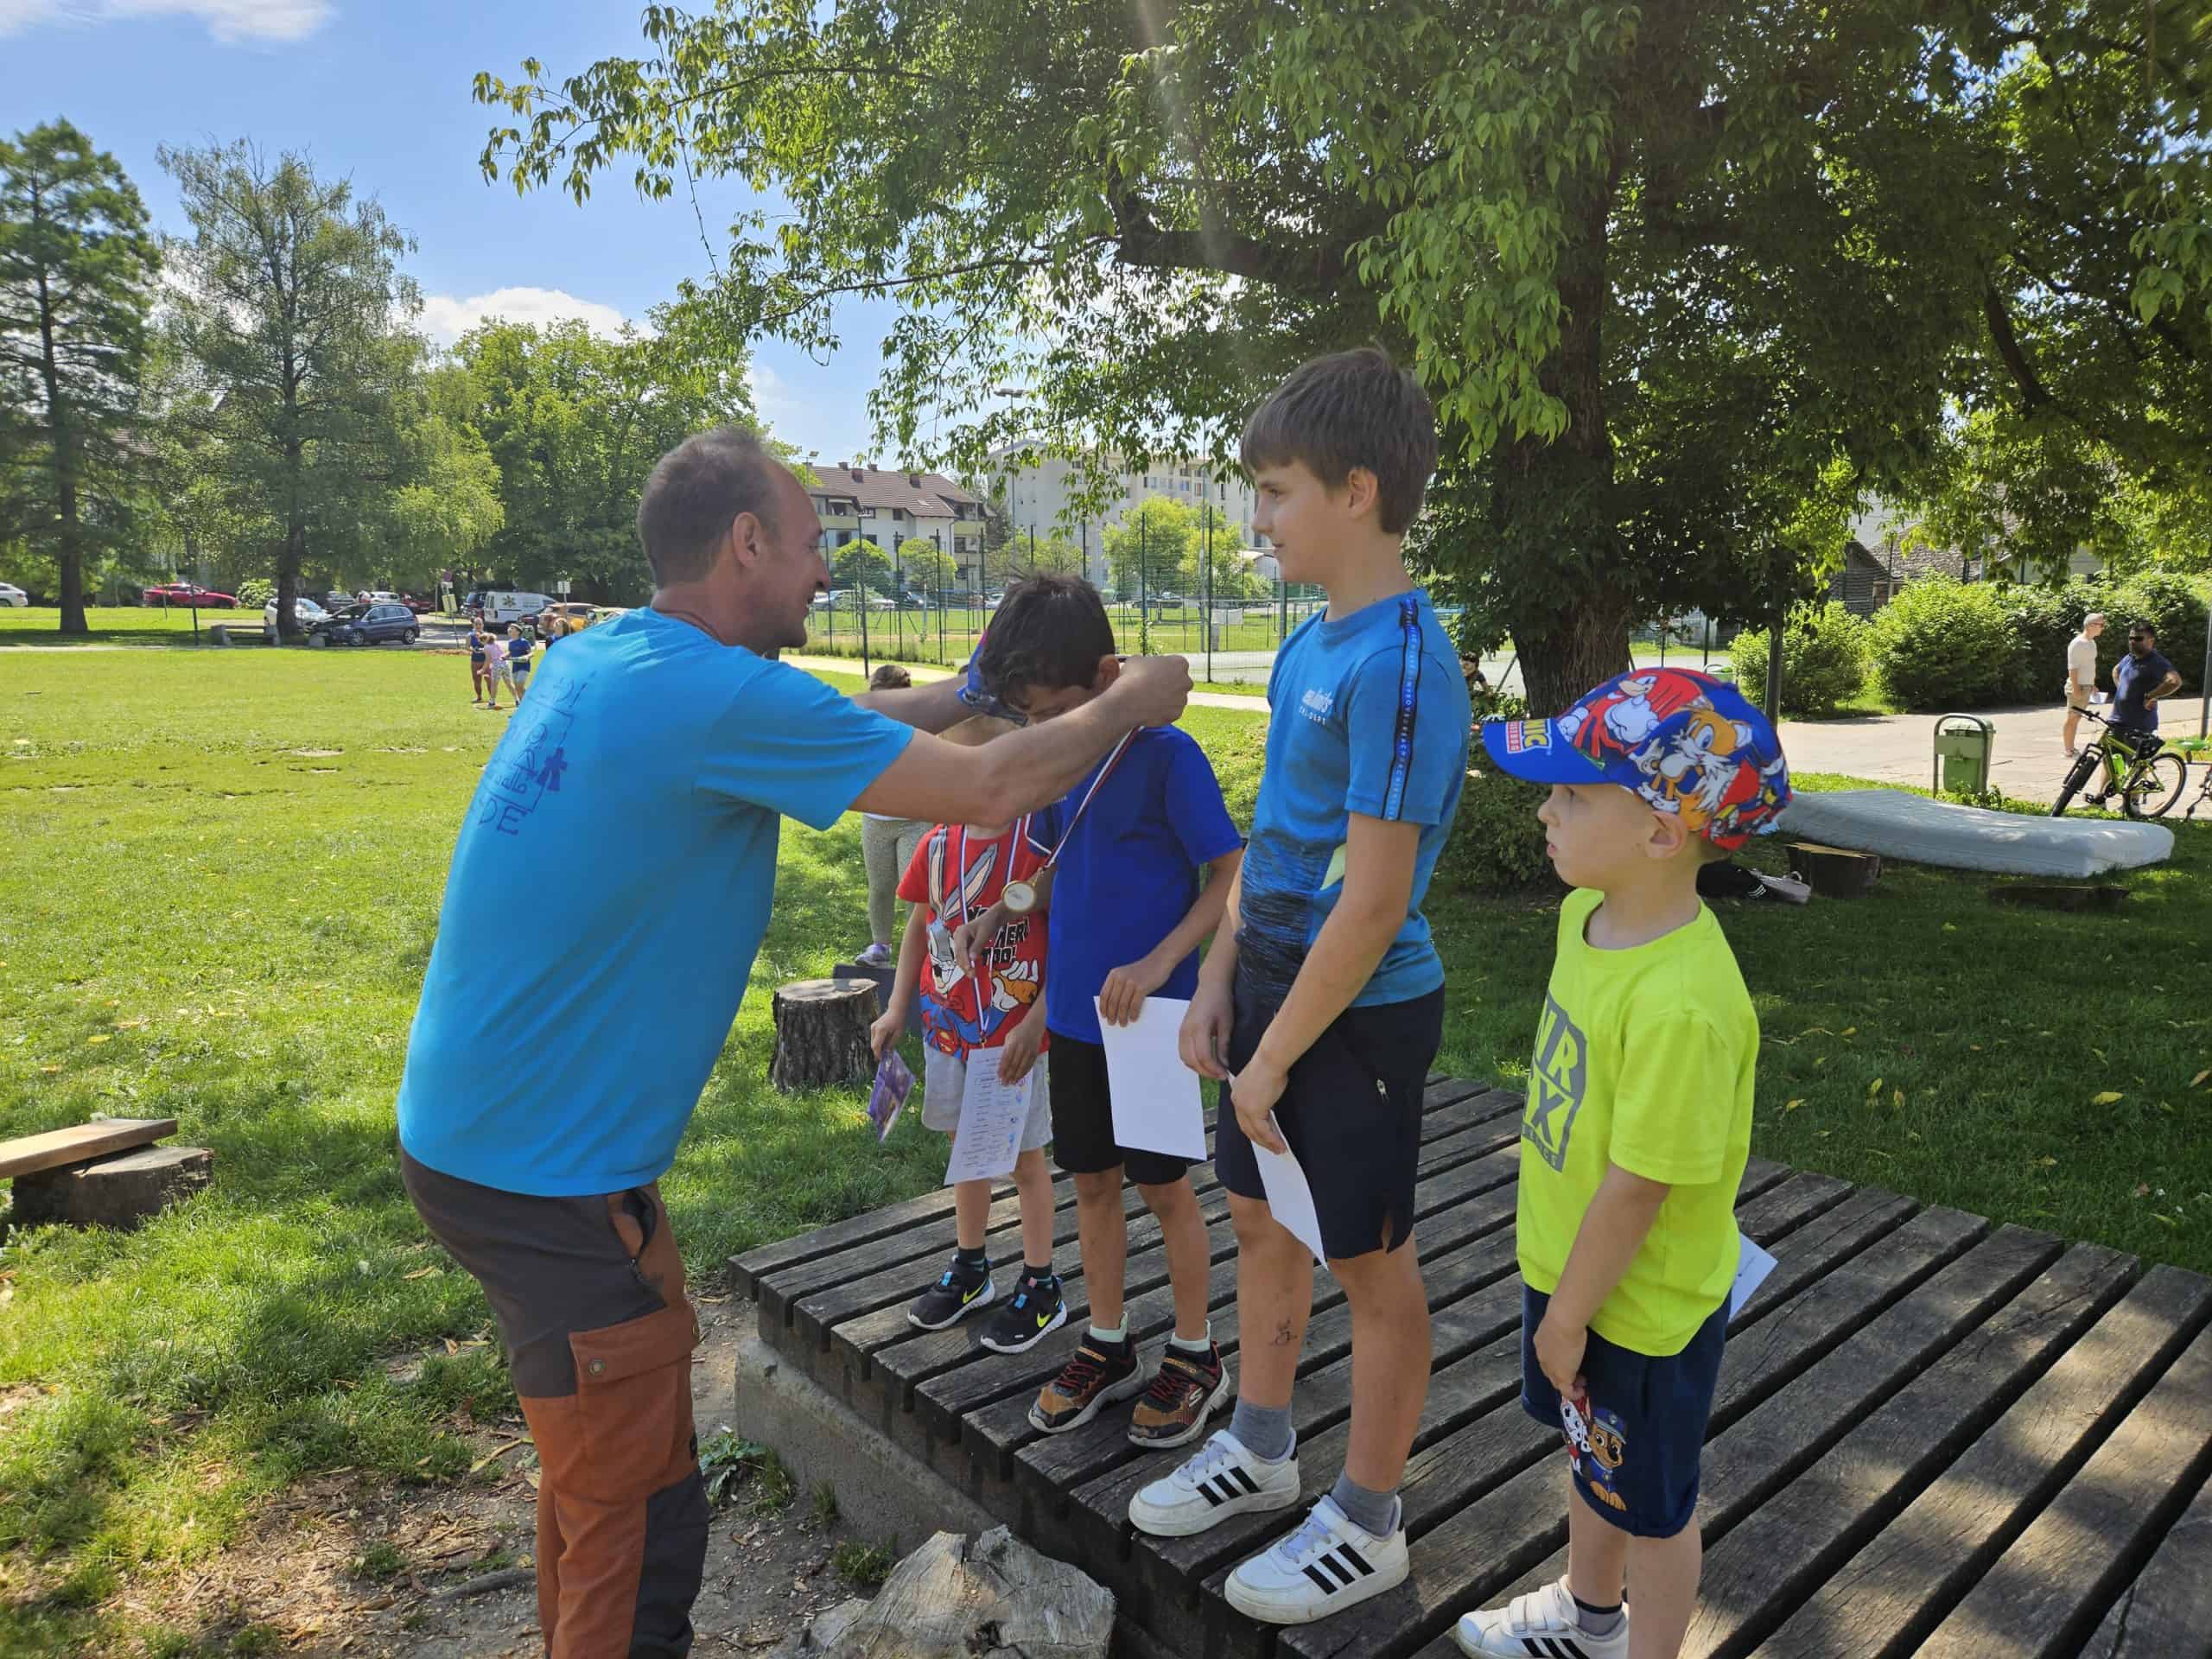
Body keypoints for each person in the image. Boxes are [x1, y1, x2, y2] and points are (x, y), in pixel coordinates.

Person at [394, 426, 1189, 1659]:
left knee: (613, 1471)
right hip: (540, 1173)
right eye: (816, 544)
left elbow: (859, 720)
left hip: (500, 1147)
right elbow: (989, 791)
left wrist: (976, 693)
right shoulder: (705, 693)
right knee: (635, 1521)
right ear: (748, 544)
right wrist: (1135, 695)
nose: (828, 571)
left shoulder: (615, 655)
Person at [1130, 349, 1471, 1624]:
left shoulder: (1403, 664)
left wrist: (1278, 1057)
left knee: (1369, 1266)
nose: (1255, 518)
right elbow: (1272, 844)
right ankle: (1263, 1447)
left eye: (1274, 492)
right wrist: (1221, 979)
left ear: (1358, 491)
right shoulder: (1308, 646)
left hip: (1359, 1009)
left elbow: (1375, 900)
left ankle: (1370, 1519)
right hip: (1267, 988)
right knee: (1259, 1222)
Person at [1450, 667, 1789, 1659]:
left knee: (1654, 1505)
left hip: (1634, 1309)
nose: (1544, 813)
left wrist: (1567, 1319)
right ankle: (1588, 1615)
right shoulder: (1582, 919)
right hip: (1571, 1277)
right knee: (1592, 1455)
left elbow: (1641, 1186)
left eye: (1570, 795)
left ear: (1658, 832)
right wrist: (1559, 1301)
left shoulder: (1682, 1003)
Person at [962, 575, 1245, 1446]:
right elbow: (1065, 869)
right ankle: (1107, 1340)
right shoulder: (1060, 762)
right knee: (1091, 1185)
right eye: (1031, 720)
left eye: (1053, 711)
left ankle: (1196, 1354)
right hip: (1079, 1023)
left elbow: (1230, 875)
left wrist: (1164, 961)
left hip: (1153, 1019)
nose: (1043, 733)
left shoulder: (1167, 756)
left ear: (1109, 675)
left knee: (1162, 1189)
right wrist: (1010, 903)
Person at [869, 715, 1063, 1353]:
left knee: (1025, 1160)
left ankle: (1041, 1283)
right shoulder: (937, 845)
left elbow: (1068, 939)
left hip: (1011, 1039)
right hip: (947, 1031)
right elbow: (920, 933)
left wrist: (1038, 1022)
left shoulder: (1041, 851)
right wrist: (898, 1008)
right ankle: (972, 1264)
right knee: (967, 1151)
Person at [858, 663, 929, 968]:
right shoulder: (863, 728)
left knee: (913, 893)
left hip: (915, 820)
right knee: (880, 887)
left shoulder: (921, 729)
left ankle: (918, 955)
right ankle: (880, 947)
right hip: (876, 823)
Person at [2107, 619, 2183, 736]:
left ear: (2151, 641)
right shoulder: (2130, 658)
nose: (2132, 642)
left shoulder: (2156, 661)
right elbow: (2116, 670)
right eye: (2130, 638)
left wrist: (2150, 696)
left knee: (2130, 755)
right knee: (2109, 753)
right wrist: (2120, 688)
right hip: (2117, 721)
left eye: (2138, 639)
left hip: (2138, 726)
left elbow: (2174, 681)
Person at [2062, 612, 2106, 756]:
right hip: (2077, 686)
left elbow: (2089, 666)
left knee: (2077, 717)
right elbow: (2072, 668)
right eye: (2101, 625)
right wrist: (2076, 689)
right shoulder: (2077, 643)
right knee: (2072, 717)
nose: (2103, 628)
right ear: (2091, 626)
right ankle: (2068, 749)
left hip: (2086, 686)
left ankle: (2071, 747)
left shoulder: (2092, 643)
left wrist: (2092, 684)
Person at [481, 630, 511, 712]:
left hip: (497, 665)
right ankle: (517, 699)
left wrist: (482, 670)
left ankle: (492, 701)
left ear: (486, 640)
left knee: (494, 684)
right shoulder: (498, 644)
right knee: (509, 683)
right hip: (505, 664)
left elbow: (488, 660)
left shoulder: (487, 647)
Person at [506, 624, 535, 700]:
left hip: (524, 667)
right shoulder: (510, 642)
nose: (509, 629)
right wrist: (505, 656)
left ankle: (529, 701)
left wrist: (527, 656)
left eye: (512, 628)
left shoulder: (524, 642)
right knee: (517, 688)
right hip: (515, 667)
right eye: (509, 628)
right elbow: (510, 652)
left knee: (520, 685)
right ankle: (522, 705)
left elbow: (531, 653)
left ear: (518, 632)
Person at [467, 619, 490, 704]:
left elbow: (491, 645)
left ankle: (492, 698)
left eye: (480, 624)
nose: (478, 626)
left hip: (486, 660)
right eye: (476, 624)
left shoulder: (486, 635)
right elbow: (467, 646)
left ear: (483, 625)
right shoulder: (470, 635)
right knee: (476, 679)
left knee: (488, 678)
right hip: (475, 660)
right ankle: (479, 697)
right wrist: (473, 649)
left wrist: (484, 648)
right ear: (473, 625)